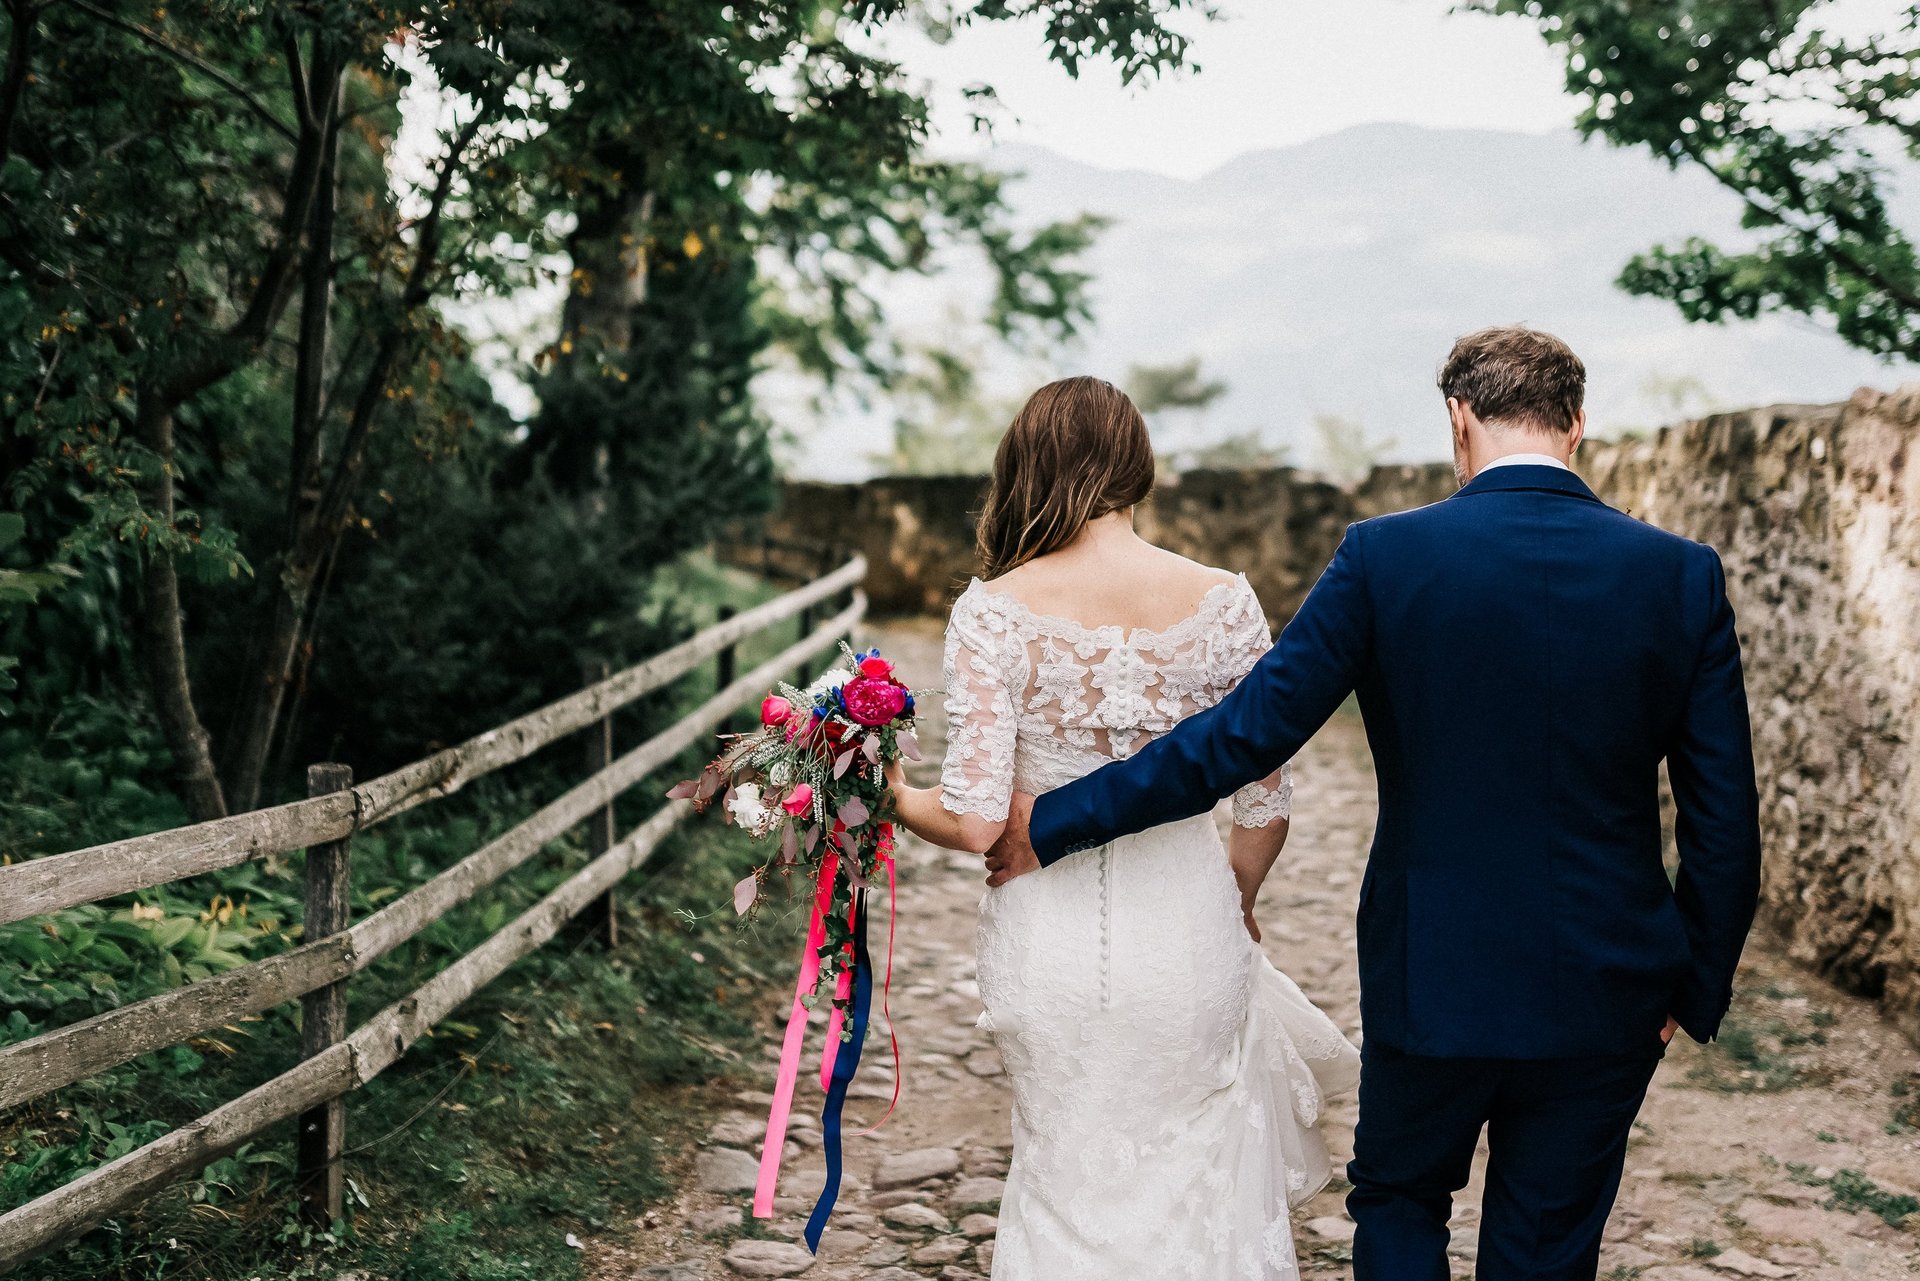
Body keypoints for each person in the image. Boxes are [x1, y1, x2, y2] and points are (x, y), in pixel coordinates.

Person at [983, 327, 1763, 1281]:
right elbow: (1724, 821)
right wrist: (1692, 981)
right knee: (1549, 1242)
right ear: (1578, 425)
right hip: (1609, 986)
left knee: (1400, 1201)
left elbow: (1242, 736)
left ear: (1459, 418)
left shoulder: (1386, 559)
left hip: (1432, 970)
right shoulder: (1681, 575)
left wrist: (1057, 821)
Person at [886, 374, 1359, 1281]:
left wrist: (891, 795)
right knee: (1197, 1170)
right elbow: (1265, 799)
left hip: (1051, 938)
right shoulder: (1223, 601)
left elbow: (980, 820)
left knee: (1064, 1171)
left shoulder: (992, 610)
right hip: (1188, 926)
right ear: (1138, 468)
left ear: (1026, 465)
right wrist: (1241, 898)